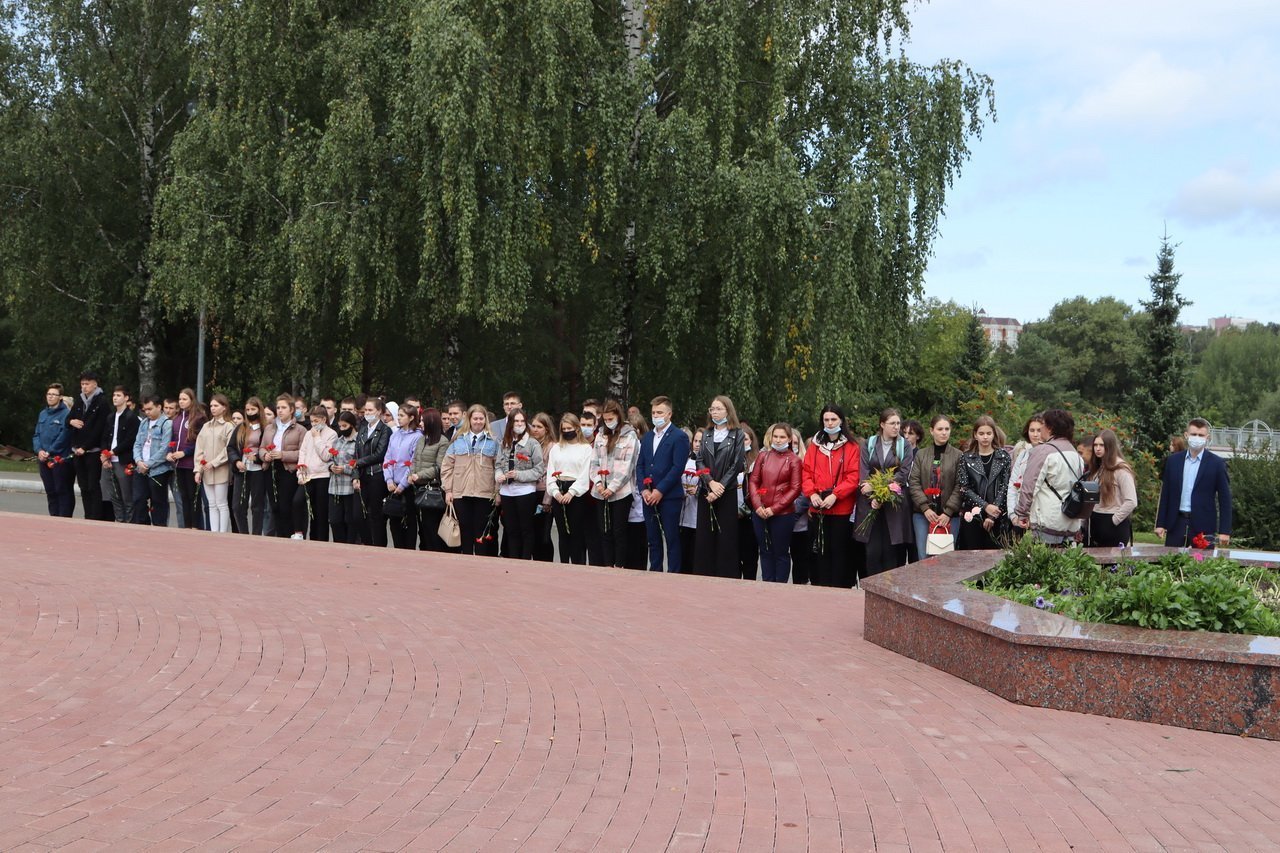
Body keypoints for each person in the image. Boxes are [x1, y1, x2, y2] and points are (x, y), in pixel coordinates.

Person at [801, 404, 861, 587]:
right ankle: (821, 589)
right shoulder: (815, 446)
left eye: (833, 419)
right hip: (819, 508)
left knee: (840, 552)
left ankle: (840, 588)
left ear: (841, 421)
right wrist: (811, 494)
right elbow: (806, 473)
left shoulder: (852, 447)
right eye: (826, 419)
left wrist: (836, 495)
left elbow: (853, 476)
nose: (829, 422)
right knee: (820, 552)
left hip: (841, 509)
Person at [1155, 417, 1232, 548]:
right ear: (1186, 435)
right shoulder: (1173, 461)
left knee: (1203, 566)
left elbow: (1225, 499)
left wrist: (1224, 531)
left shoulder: (1217, 464)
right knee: (1172, 563)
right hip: (1176, 522)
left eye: (1201, 435)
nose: (1197, 438)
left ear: (1207, 437)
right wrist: (1160, 523)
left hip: (1204, 525)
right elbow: (1166, 493)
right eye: (1193, 434)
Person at [1012, 408, 1085, 545]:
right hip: (1071, 520)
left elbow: (1030, 486)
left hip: (1048, 522)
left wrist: (1022, 513)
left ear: (1050, 428)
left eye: (1043, 425)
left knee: (1045, 564)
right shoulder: (1075, 454)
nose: (1041, 429)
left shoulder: (1042, 452)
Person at [854, 408, 913, 576]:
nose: (896, 427)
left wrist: (881, 490)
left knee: (890, 552)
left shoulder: (904, 445)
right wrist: (873, 495)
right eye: (892, 423)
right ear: (882, 424)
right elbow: (864, 470)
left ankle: (888, 594)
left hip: (893, 504)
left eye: (898, 423)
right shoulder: (870, 443)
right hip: (870, 503)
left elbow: (903, 473)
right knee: (872, 552)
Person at [637, 396, 691, 572]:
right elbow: (640, 465)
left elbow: (677, 467)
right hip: (648, 496)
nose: (656, 415)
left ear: (669, 414)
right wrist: (644, 489)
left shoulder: (679, 437)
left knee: (671, 538)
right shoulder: (647, 437)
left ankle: (674, 573)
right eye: (653, 412)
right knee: (653, 539)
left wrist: (660, 490)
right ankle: (655, 570)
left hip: (669, 496)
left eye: (659, 412)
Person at [694, 396, 747, 578]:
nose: (714, 412)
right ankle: (704, 572)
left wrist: (720, 487)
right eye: (712, 409)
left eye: (718, 409)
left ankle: (726, 575)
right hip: (707, 490)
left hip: (727, 492)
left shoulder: (737, 434)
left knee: (726, 537)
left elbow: (737, 464)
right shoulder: (707, 433)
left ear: (728, 411)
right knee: (705, 536)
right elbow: (699, 460)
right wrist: (710, 482)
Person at [442, 403, 500, 556]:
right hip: (461, 492)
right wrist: (448, 490)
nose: (478, 422)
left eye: (481, 418)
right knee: (465, 529)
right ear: (469, 419)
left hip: (484, 493)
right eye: (475, 418)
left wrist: (497, 492)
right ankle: (466, 561)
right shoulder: (458, 440)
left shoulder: (493, 442)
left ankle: (481, 562)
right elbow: (447, 466)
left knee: (481, 530)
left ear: (485, 420)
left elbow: (498, 468)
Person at [747, 422, 802, 582]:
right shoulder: (763, 456)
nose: (778, 440)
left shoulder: (794, 460)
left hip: (783, 514)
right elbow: (753, 481)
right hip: (760, 512)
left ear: (790, 438)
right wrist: (757, 505)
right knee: (765, 551)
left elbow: (795, 489)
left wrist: (774, 509)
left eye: (782, 437)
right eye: (775, 437)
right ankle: (767, 584)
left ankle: (780, 588)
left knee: (781, 553)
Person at [590, 400, 639, 568]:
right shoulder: (600, 435)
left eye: (611, 418)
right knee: (604, 530)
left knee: (619, 531)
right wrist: (598, 483)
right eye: (605, 419)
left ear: (618, 416)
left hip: (620, 491)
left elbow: (628, 466)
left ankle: (620, 565)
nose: (608, 422)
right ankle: (608, 564)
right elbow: (594, 462)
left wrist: (612, 488)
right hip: (600, 490)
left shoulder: (629, 435)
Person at [907, 415, 963, 561]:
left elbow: (960, 485)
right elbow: (913, 482)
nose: (944, 432)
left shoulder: (958, 456)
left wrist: (948, 511)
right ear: (932, 431)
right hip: (923, 515)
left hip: (950, 516)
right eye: (940, 429)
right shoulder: (921, 454)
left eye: (947, 429)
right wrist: (925, 507)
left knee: (946, 558)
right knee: (924, 557)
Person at [494, 409, 546, 560]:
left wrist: (519, 475)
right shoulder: (504, 442)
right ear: (510, 423)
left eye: (522, 421)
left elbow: (538, 470)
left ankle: (524, 559)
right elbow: (498, 464)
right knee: (511, 529)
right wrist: (499, 475)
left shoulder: (532, 443)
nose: (519, 424)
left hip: (525, 491)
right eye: (516, 421)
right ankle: (514, 558)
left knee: (526, 528)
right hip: (506, 491)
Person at [955, 415, 1012, 551]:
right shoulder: (966, 457)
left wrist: (993, 513)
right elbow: (964, 488)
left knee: (995, 559)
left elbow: (1005, 487)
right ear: (975, 435)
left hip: (998, 513)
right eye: (981, 433)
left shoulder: (1003, 457)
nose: (985, 437)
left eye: (988, 433)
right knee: (971, 557)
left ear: (994, 434)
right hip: (973, 514)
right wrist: (985, 506)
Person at [546, 413, 593, 564]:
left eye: (569, 428)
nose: (567, 431)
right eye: (564, 429)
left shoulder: (585, 448)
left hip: (576, 492)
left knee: (576, 533)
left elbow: (585, 473)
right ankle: (564, 564)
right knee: (562, 532)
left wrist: (572, 492)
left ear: (577, 429)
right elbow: (550, 472)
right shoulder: (556, 448)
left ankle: (578, 565)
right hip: (559, 489)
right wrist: (555, 492)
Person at [262, 394, 307, 539]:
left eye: (283, 408)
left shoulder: (300, 430)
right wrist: (265, 456)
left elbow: (303, 453)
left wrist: (283, 455)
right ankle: (279, 536)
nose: (280, 410)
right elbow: (262, 448)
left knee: (285, 506)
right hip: (271, 469)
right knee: (274, 506)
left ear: (292, 409)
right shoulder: (269, 428)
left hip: (289, 469)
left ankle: (289, 535)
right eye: (278, 407)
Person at [68, 371, 110, 520]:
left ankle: (96, 516)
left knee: (93, 485)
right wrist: (71, 421)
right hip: (77, 449)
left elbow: (100, 428)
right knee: (83, 486)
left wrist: (85, 447)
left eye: (87, 384)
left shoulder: (102, 402)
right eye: (82, 384)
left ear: (94, 384)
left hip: (92, 450)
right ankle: (88, 515)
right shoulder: (79, 400)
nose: (84, 387)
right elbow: (69, 418)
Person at [410, 407, 451, 551]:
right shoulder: (422, 439)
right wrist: (412, 474)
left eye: (422, 420)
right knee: (424, 528)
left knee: (433, 527)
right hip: (419, 488)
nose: (420, 423)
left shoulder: (442, 441)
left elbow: (439, 467)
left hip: (433, 490)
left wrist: (420, 475)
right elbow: (414, 459)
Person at [193, 394, 235, 533]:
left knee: (221, 503)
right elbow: (199, 449)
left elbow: (228, 448)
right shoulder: (206, 426)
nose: (213, 408)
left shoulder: (228, 426)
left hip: (221, 470)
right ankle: (214, 532)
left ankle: (222, 532)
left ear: (224, 408)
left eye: (216, 405)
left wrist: (215, 462)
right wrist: (198, 469)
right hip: (206, 470)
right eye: (211, 406)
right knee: (211, 504)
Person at [1088, 428, 1137, 547]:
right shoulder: (1098, 467)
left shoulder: (1121, 469)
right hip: (1096, 521)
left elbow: (1131, 501)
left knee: (1113, 564)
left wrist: (1113, 520)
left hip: (1113, 524)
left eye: (1101, 445)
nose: (1097, 448)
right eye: (1095, 445)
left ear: (1110, 446)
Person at [34, 383, 77, 518]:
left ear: (60, 397)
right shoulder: (43, 414)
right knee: (50, 490)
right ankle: (53, 517)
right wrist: (39, 450)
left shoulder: (67, 414)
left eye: (54, 394)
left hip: (60, 459)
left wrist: (50, 451)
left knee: (62, 490)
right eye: (49, 394)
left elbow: (64, 435)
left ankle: (64, 518)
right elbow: (37, 434)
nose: (51, 397)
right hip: (44, 459)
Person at [384, 403, 423, 549]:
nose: (398, 418)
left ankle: (409, 551)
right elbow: (387, 458)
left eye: (402, 415)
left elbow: (413, 462)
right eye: (398, 415)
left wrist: (402, 485)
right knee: (394, 522)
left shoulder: (418, 437)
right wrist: (388, 479)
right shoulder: (395, 435)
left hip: (407, 485)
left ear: (411, 417)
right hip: (392, 485)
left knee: (409, 521)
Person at [355, 397, 393, 547]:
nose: (367, 413)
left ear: (379, 412)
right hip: (363, 475)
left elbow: (380, 454)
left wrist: (358, 463)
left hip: (377, 475)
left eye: (371, 410)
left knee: (375, 515)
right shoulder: (363, 429)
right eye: (366, 410)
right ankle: (367, 542)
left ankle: (378, 546)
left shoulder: (385, 430)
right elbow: (356, 453)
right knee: (358, 514)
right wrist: (356, 474)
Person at [132, 395, 174, 526]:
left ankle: (159, 528)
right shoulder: (144, 423)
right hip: (141, 467)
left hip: (158, 470)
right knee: (138, 499)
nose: (147, 412)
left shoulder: (166, 424)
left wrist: (148, 464)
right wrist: (139, 461)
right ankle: (143, 526)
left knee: (158, 501)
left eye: (150, 409)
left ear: (159, 407)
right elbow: (137, 444)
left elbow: (164, 448)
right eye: (145, 410)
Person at [99, 385, 139, 524]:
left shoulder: (131, 417)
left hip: (123, 460)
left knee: (126, 494)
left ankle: (129, 521)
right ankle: (119, 519)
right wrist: (104, 455)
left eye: (119, 395)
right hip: (109, 460)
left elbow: (130, 440)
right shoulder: (110, 417)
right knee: (113, 495)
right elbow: (104, 437)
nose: (115, 398)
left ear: (126, 398)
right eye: (114, 395)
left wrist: (113, 452)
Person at [297, 405, 337, 541]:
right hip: (308, 475)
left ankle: (321, 540)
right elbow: (302, 452)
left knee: (320, 512)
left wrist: (317, 438)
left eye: (316, 421)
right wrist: (300, 470)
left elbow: (326, 456)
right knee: (298, 501)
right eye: (312, 421)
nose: (313, 424)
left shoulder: (331, 434)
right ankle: (301, 533)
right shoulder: (308, 433)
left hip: (322, 476)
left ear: (323, 419)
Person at [168, 388, 205, 529]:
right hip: (179, 464)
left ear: (191, 400)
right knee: (183, 497)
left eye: (185, 399)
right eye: (180, 399)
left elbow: (200, 442)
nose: (181, 402)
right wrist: (170, 451)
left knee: (193, 497)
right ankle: (187, 526)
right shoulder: (177, 418)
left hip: (191, 463)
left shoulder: (199, 417)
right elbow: (173, 439)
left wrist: (185, 453)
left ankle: (196, 526)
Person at [327, 411, 363, 544]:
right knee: (335, 520)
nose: (342, 429)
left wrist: (346, 468)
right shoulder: (337, 441)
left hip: (349, 486)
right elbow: (330, 459)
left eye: (345, 426)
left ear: (352, 425)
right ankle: (339, 544)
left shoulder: (359, 441)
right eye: (340, 426)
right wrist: (331, 466)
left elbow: (359, 462)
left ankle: (350, 544)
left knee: (350, 520)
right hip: (335, 486)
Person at [529, 412, 558, 561]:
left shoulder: (552, 447)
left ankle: (547, 563)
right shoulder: (529, 444)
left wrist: (547, 499)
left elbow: (552, 474)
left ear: (546, 429)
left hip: (545, 493)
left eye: (539, 426)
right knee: (532, 533)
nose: (535, 429)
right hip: (529, 492)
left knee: (544, 535)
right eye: (533, 426)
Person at [1006, 414, 1045, 521]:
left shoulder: (1051, 455)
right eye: (1032, 430)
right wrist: (1012, 514)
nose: (1035, 434)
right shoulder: (1023, 455)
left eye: (1039, 430)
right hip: (1020, 513)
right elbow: (1013, 485)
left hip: (1041, 516)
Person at [788, 428, 814, 584]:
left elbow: (806, 493)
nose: (792, 445)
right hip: (781, 519)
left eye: (795, 442)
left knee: (800, 561)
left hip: (800, 525)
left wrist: (793, 513)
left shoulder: (805, 464)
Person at [736, 423, 760, 581]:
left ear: (751, 441)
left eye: (745, 439)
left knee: (750, 556)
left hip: (749, 516)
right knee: (734, 555)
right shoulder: (729, 460)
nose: (742, 442)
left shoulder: (757, 461)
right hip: (730, 514)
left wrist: (744, 509)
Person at [678, 428, 701, 573]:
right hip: (683, 516)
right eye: (695, 441)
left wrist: (698, 490)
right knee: (683, 555)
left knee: (695, 556)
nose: (697, 444)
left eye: (700, 441)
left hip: (699, 517)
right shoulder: (685, 461)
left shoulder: (709, 463)